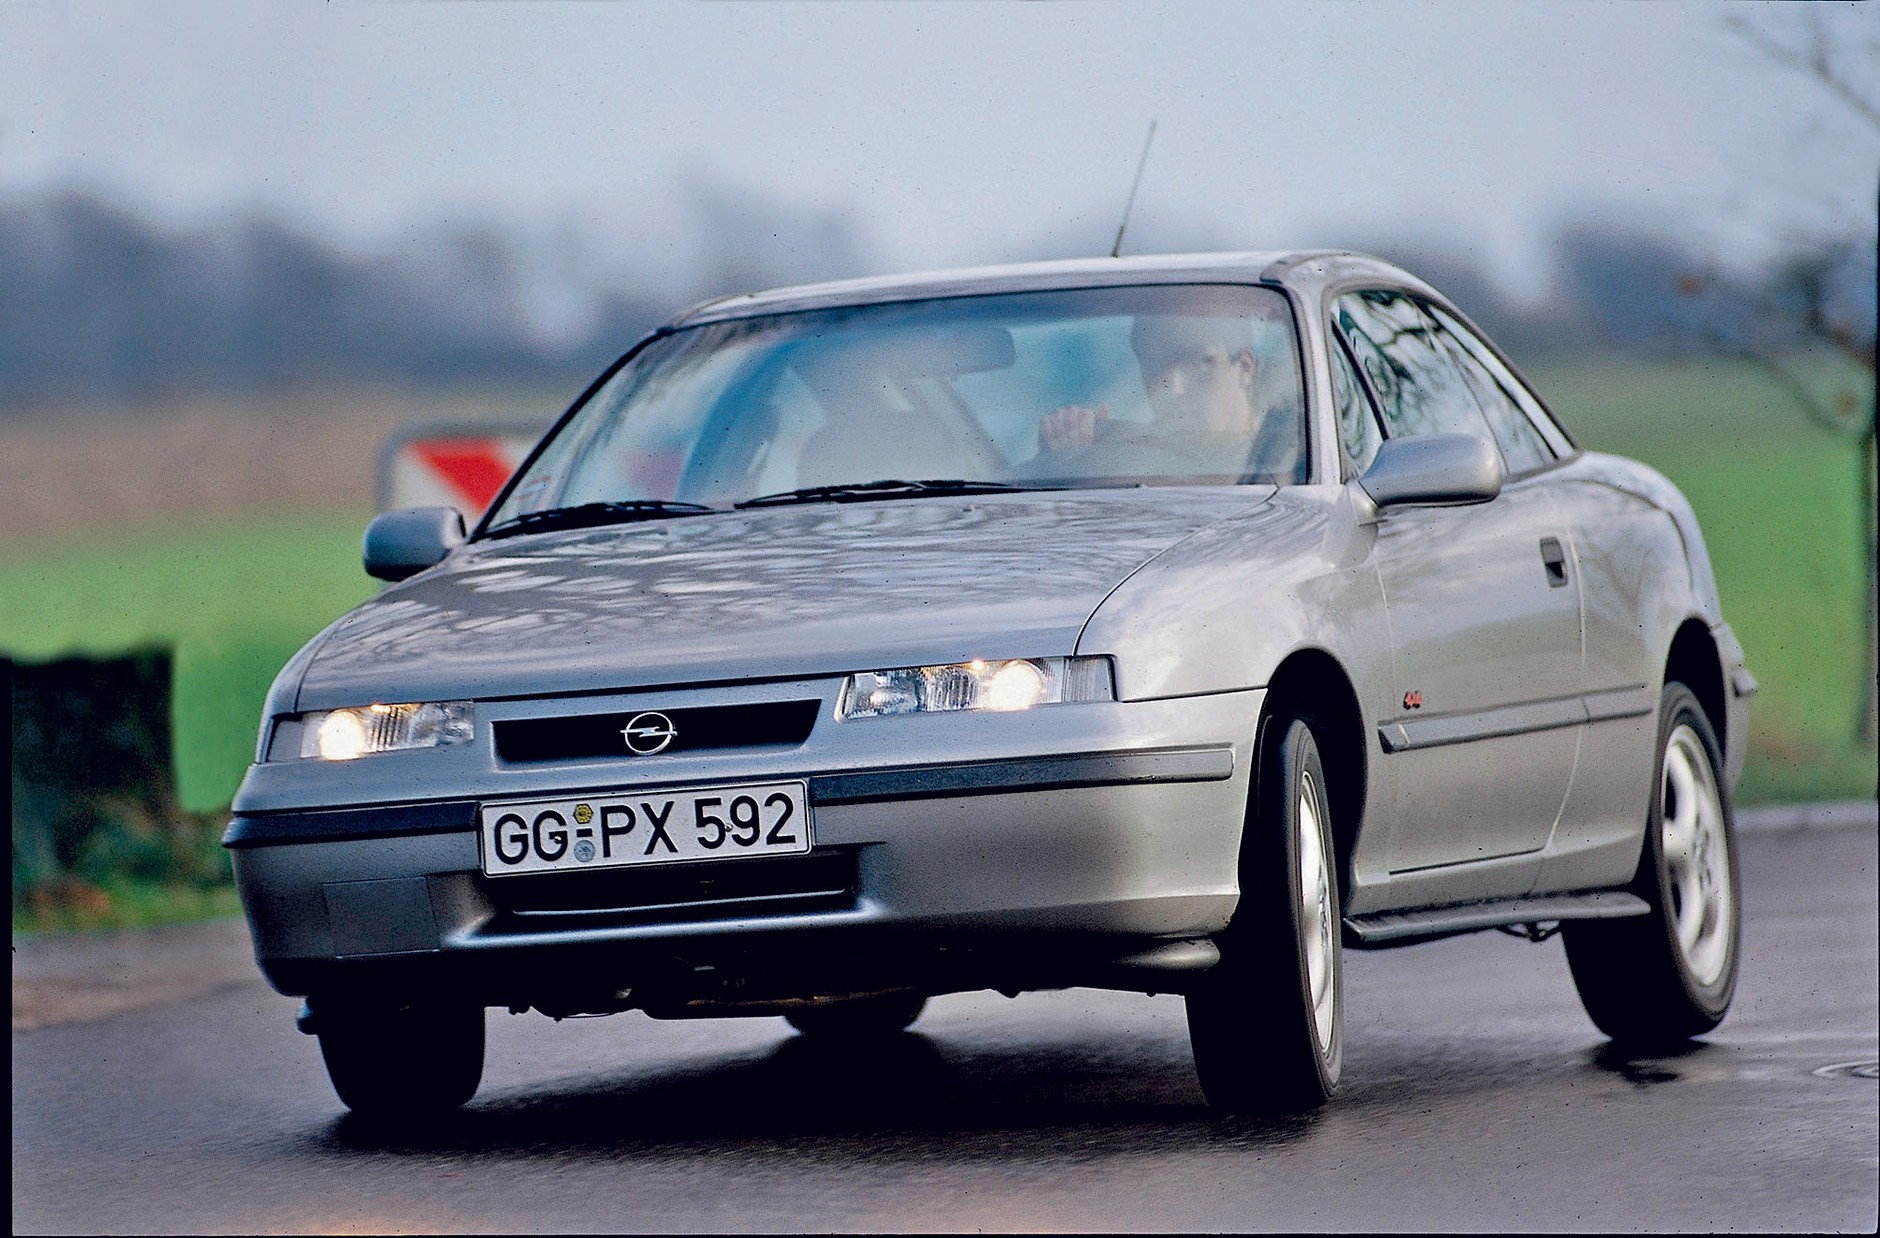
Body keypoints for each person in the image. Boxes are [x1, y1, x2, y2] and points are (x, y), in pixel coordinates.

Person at [1035, 314, 1297, 479]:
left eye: (1199, 362)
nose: (1173, 387)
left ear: (1245, 366)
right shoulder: (1120, 458)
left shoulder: (1296, 454)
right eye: (1154, 366)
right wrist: (1064, 459)